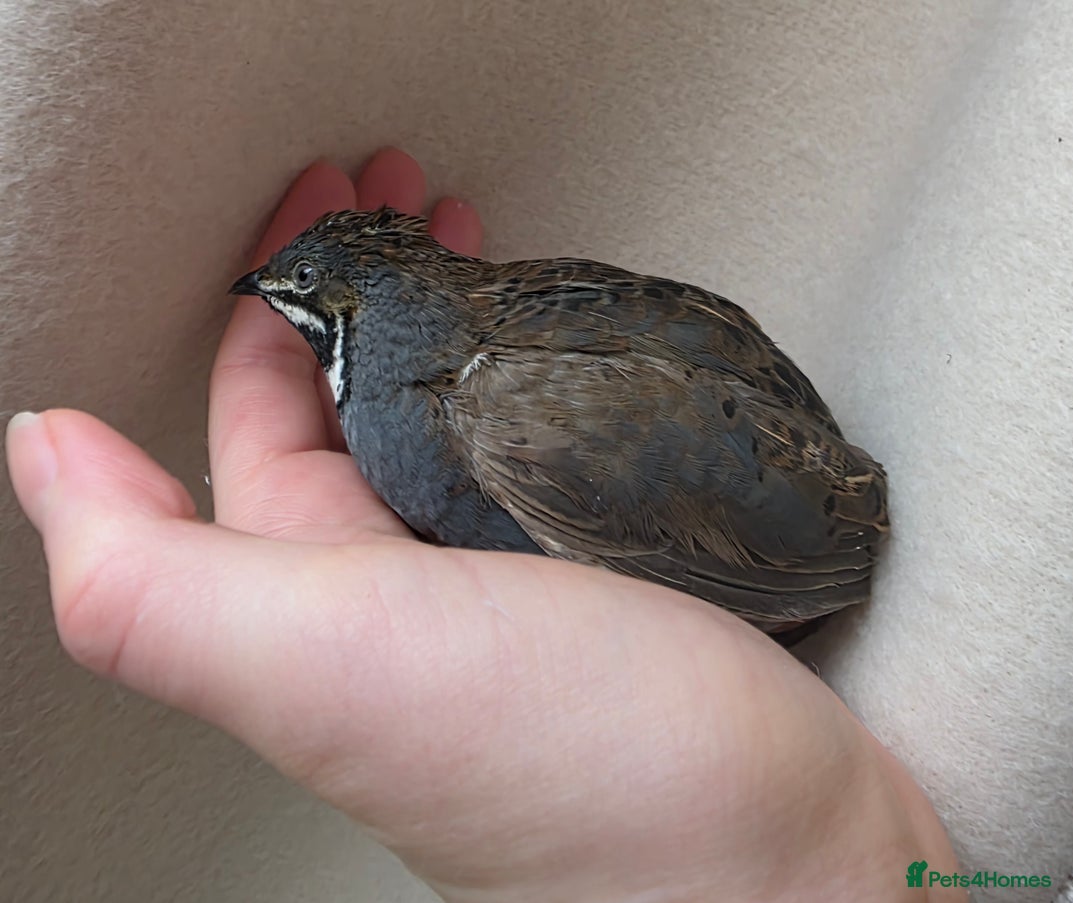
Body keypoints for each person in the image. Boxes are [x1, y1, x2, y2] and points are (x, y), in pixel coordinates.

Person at [5, 147, 963, 902]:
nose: (281, 310)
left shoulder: (506, 419)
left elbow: (807, 542)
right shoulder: (475, 356)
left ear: (338, 320)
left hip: (823, 551)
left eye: (293, 299)